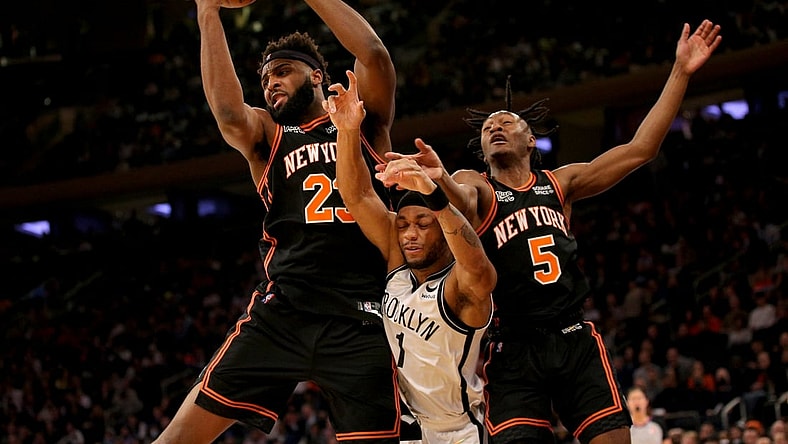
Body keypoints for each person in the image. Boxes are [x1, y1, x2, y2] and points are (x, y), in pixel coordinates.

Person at [381, 20, 722, 444]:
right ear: (482, 149)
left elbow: (640, 149)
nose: (495, 128)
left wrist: (680, 72)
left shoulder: (561, 184)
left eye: (507, 122)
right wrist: (437, 183)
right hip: (513, 347)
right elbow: (459, 199)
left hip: (574, 337)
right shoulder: (477, 186)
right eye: (488, 127)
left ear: (531, 141)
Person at [153, 0, 399, 442]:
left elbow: (375, 56)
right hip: (283, 308)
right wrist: (207, 11)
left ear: (317, 76)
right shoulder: (269, 136)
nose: (271, 84)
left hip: (363, 313)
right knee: (177, 438)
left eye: (283, 71)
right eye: (265, 78)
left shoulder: (362, 121)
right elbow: (229, 115)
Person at [323, 70, 497, 443]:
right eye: (403, 225)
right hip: (408, 427)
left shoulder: (458, 286)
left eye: (422, 224)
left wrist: (436, 198)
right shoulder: (399, 266)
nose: (410, 234)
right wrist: (348, 131)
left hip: (460, 431)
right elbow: (357, 196)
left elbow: (481, 269)